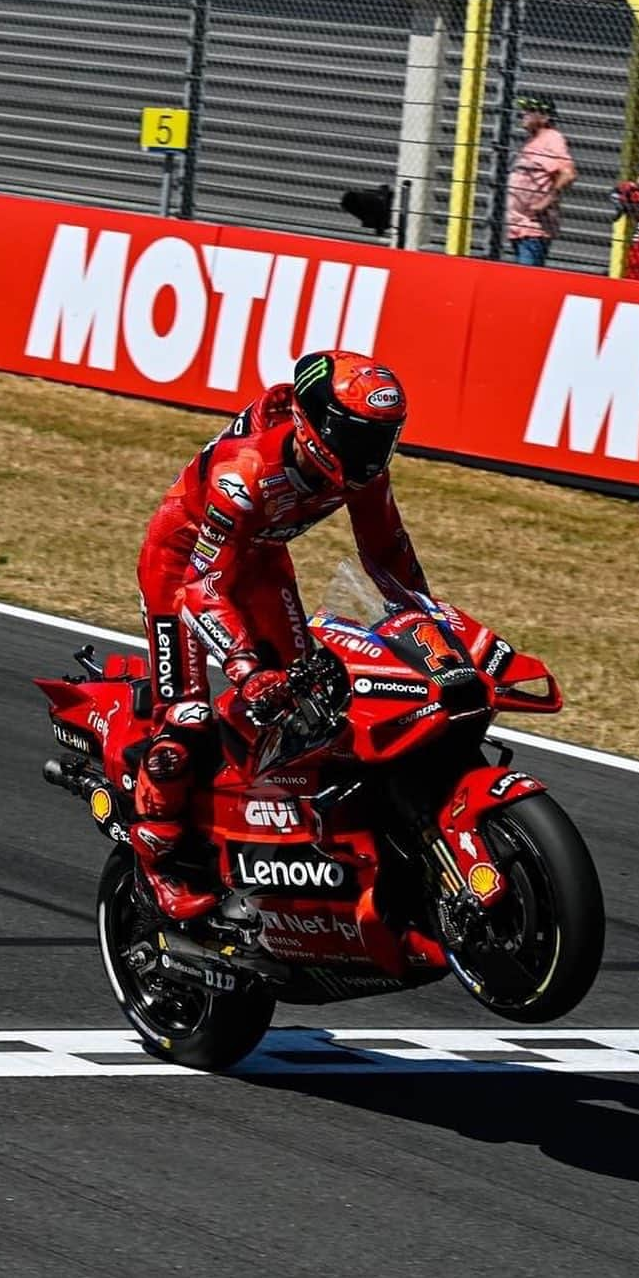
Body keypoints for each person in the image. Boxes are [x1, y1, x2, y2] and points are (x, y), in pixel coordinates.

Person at [133, 351, 429, 920]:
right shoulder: (245, 471)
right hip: (183, 568)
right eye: (359, 436)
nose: (372, 455)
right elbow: (203, 586)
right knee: (187, 720)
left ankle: (289, 834)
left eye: (383, 439)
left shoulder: (362, 471)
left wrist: (424, 619)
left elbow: (387, 552)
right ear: (315, 424)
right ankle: (157, 864)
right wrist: (246, 669)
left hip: (261, 560)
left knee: (313, 705)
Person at [506, 93, 577, 267]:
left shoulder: (552, 138)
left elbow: (568, 173)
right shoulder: (533, 141)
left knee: (525, 281)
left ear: (544, 117)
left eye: (530, 111)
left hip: (534, 229)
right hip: (518, 227)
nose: (523, 114)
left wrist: (547, 200)